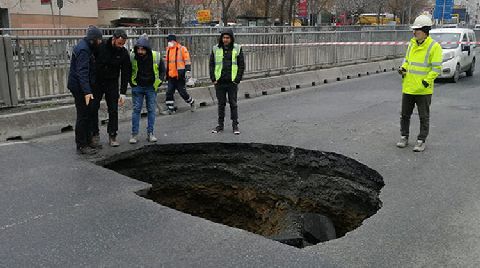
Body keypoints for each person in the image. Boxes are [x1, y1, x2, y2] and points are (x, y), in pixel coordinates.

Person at [396, 14, 442, 152]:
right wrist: (403, 68)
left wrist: (425, 82)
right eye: (414, 30)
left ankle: (421, 140)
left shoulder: (434, 47)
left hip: (423, 89)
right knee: (404, 115)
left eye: (417, 30)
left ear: (425, 31)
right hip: (408, 87)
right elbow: (407, 60)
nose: (414, 32)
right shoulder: (411, 44)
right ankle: (404, 137)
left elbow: (436, 69)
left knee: (423, 117)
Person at [67, 26, 103, 155]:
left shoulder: (88, 47)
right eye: (99, 40)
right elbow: (82, 73)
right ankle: (82, 144)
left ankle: (88, 141)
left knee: (88, 114)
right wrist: (87, 92)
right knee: (83, 115)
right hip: (79, 87)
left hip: (83, 86)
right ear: (93, 40)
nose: (100, 43)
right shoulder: (83, 50)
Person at [92, 29, 131, 147]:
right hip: (98, 82)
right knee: (94, 107)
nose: (120, 46)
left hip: (112, 83)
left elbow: (125, 73)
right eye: (119, 43)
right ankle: (94, 134)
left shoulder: (123, 53)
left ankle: (112, 135)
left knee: (113, 109)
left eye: (123, 44)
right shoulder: (101, 46)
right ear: (113, 39)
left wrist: (123, 92)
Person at [129, 34, 166, 144]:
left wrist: (159, 82)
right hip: (138, 87)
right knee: (136, 110)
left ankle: (150, 133)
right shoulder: (132, 56)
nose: (140, 52)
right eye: (138, 49)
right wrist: (132, 83)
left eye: (142, 49)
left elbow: (162, 70)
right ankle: (134, 134)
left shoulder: (156, 56)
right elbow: (128, 70)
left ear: (147, 48)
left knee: (151, 110)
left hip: (151, 87)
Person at [209, 29, 245, 135]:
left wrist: (237, 79)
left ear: (231, 38)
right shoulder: (216, 48)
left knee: (233, 104)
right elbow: (211, 64)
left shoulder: (237, 48)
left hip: (232, 82)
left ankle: (235, 125)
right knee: (221, 104)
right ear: (221, 38)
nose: (225, 40)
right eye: (224, 37)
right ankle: (220, 125)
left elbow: (241, 65)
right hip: (219, 82)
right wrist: (213, 79)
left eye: (227, 38)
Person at [165, 34, 196, 114]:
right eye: (168, 41)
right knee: (169, 92)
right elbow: (168, 63)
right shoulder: (168, 49)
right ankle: (170, 109)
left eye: (171, 41)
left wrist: (187, 71)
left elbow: (187, 60)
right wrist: (166, 74)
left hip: (180, 76)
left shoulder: (182, 49)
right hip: (171, 76)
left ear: (175, 41)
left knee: (182, 93)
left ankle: (192, 102)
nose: (169, 43)